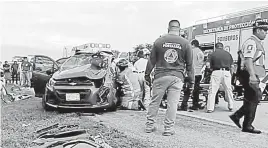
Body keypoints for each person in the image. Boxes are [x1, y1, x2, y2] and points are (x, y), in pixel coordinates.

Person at [144, 20, 194, 136]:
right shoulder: (185, 43)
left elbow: (151, 60)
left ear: (168, 28)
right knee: (172, 104)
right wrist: (191, 81)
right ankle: (168, 129)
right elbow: (190, 65)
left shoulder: (159, 41)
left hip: (160, 76)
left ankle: (149, 126)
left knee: (155, 102)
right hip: (177, 77)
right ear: (179, 30)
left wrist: (147, 75)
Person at [229, 19, 267, 134]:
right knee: (254, 98)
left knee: (251, 98)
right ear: (258, 30)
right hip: (250, 73)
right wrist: (252, 76)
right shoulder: (251, 42)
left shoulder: (257, 42)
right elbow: (248, 60)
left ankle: (237, 116)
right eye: (264, 30)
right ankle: (247, 125)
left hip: (254, 73)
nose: (266, 33)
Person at [206, 42, 234, 113]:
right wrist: (231, 74)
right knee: (228, 89)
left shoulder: (212, 54)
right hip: (226, 72)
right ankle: (231, 106)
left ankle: (210, 108)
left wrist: (210, 70)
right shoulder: (228, 54)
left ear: (216, 47)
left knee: (212, 90)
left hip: (216, 72)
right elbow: (232, 66)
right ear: (222, 47)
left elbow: (208, 65)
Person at [178, 39, 204, 111]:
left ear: (193, 45)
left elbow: (187, 62)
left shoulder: (191, 51)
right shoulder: (201, 52)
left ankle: (184, 105)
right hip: (199, 73)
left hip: (191, 73)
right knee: (196, 90)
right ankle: (195, 104)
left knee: (187, 90)